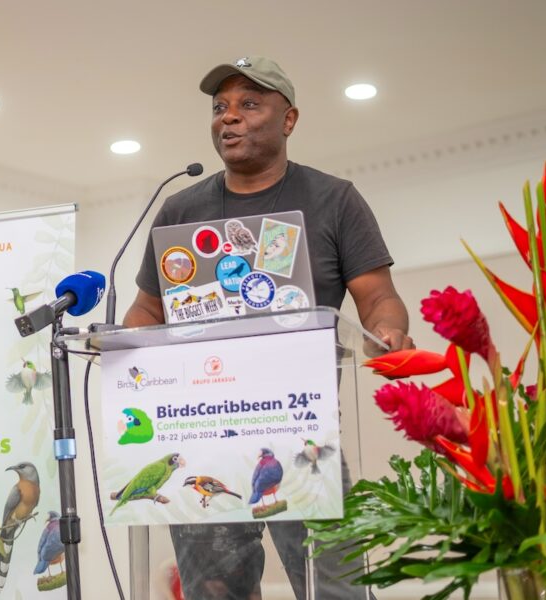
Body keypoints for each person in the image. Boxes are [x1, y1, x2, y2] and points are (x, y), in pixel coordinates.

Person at [123, 56, 414, 599]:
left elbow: (379, 299)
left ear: (289, 120)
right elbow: (147, 311)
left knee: (339, 588)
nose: (228, 118)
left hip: (301, 435)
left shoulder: (334, 199)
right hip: (202, 433)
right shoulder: (181, 208)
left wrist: (388, 334)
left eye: (248, 104)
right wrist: (128, 341)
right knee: (215, 589)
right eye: (219, 108)